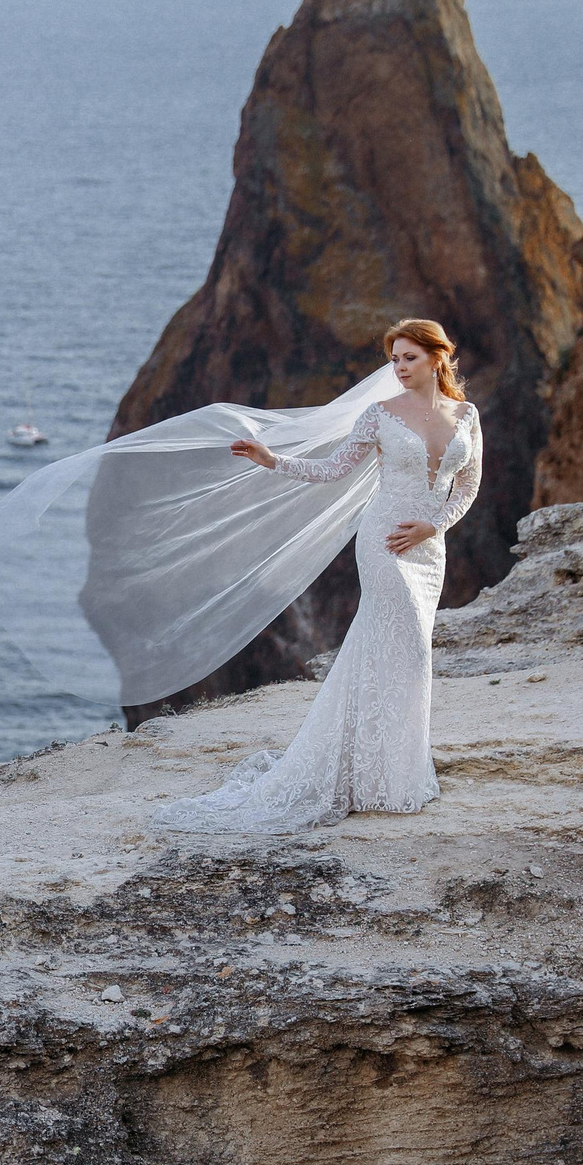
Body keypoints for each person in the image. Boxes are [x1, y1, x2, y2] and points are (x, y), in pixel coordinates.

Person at [157, 318, 481, 832]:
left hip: (427, 549)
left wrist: (434, 525)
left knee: (401, 654)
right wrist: (273, 460)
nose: (399, 367)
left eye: (409, 358)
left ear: (437, 357)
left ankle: (392, 774)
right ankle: (377, 776)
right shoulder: (380, 415)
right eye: (394, 359)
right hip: (383, 544)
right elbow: (333, 469)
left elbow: (467, 485)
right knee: (410, 652)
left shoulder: (466, 415)